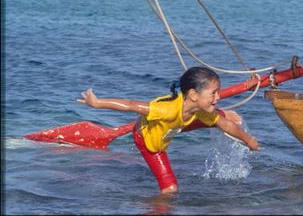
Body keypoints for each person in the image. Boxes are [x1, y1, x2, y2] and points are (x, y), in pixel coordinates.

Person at [77, 66, 260, 194]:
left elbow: (227, 126)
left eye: (218, 92)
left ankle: (222, 113)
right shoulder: (166, 110)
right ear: (193, 95)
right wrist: (97, 103)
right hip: (148, 140)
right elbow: (131, 105)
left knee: (221, 119)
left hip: (180, 122)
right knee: (170, 189)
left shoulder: (200, 108)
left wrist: (248, 140)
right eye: (214, 93)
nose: (218, 96)